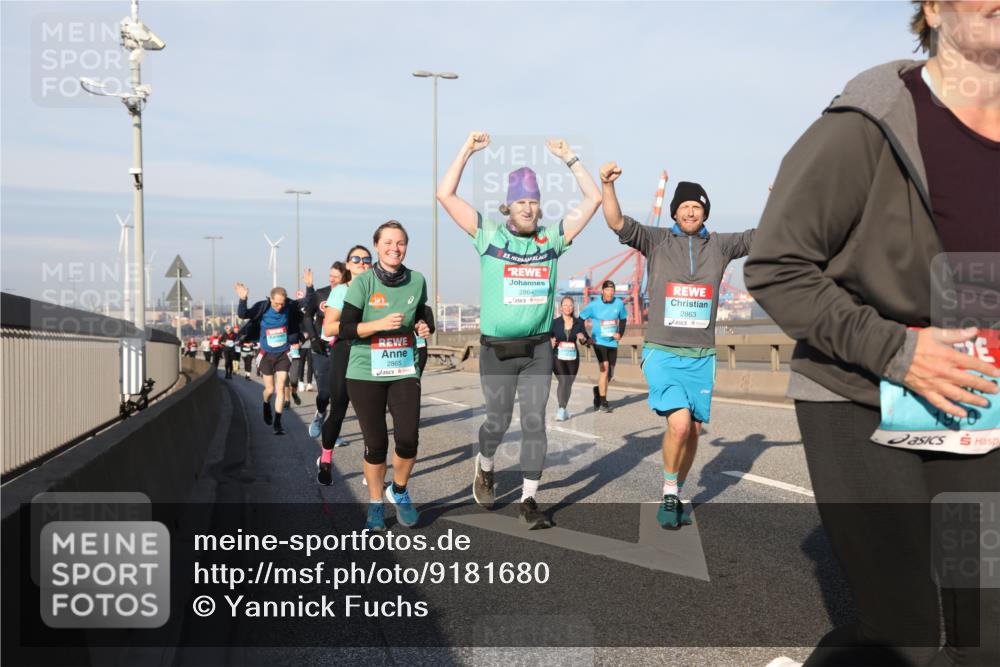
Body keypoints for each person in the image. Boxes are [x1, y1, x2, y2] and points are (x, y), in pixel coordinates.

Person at [745, 3, 999, 665]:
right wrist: (899, 351)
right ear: (934, 9)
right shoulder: (874, 119)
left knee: (982, 631)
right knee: (907, 636)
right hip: (861, 395)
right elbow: (776, 265)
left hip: (977, 399)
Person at [438, 132, 602, 529]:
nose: (528, 209)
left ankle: (529, 498)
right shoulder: (489, 235)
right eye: (522, 202)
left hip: (536, 349)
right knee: (497, 421)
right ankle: (486, 464)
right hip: (496, 349)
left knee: (534, 421)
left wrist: (570, 159)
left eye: (534, 202)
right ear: (508, 205)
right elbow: (446, 195)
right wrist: (467, 151)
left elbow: (593, 201)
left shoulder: (552, 240)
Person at [600, 162, 754, 529]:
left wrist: (781, 200)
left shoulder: (720, 245)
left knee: (694, 430)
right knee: (680, 426)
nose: (690, 211)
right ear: (674, 212)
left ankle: (676, 488)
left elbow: (761, 236)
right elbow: (616, 221)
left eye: (697, 207)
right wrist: (607, 186)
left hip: (702, 356)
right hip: (663, 351)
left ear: (705, 214)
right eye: (684, 206)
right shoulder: (656, 240)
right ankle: (669, 492)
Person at [338, 221, 431, 532]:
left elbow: (422, 311)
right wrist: (378, 324)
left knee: (408, 439)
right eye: (388, 242)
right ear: (376, 246)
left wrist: (423, 325)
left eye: (401, 242)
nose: (395, 247)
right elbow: (346, 329)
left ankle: (399, 490)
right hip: (365, 371)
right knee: (376, 444)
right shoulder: (362, 283)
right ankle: (376, 504)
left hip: (403, 367)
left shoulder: (417, 280)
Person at [317, 246, 373, 484]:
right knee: (338, 410)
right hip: (345, 351)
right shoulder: (341, 290)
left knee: (370, 415)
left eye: (366, 259)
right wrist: (358, 328)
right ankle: (326, 459)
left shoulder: (378, 290)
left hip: (371, 353)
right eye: (356, 259)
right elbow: (329, 327)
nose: (362, 262)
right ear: (348, 265)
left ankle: (371, 468)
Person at [236, 282, 305, 436]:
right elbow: (243, 314)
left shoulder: (289, 307)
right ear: (271, 299)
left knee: (280, 388)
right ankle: (266, 404)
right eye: (276, 303)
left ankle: (278, 423)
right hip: (266, 354)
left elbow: (307, 302)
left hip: (283, 353)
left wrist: (310, 286)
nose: (279, 307)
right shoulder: (263, 307)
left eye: (282, 304)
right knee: (270, 390)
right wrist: (243, 298)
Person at [304, 262, 346, 438]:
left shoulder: (352, 294)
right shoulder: (321, 294)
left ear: (345, 277)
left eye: (336, 276)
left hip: (342, 348)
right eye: (330, 275)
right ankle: (320, 414)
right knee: (324, 393)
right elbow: (307, 316)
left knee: (340, 394)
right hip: (321, 349)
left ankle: (332, 432)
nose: (332, 279)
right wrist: (313, 338)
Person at [580, 279, 628, 412]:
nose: (610, 293)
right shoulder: (594, 305)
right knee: (604, 368)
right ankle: (603, 402)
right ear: (603, 291)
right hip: (598, 341)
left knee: (610, 374)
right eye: (608, 290)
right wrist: (587, 338)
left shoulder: (619, 303)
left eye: (612, 290)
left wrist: (620, 333)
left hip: (613, 342)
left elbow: (623, 319)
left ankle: (597, 391)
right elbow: (580, 319)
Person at [550, 296, 589, 421]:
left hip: (573, 358)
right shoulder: (554, 323)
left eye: (570, 305)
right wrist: (550, 342)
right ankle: (561, 410)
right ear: (561, 307)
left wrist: (582, 338)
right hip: (558, 356)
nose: (568, 307)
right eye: (565, 305)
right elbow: (547, 338)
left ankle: (564, 408)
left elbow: (585, 341)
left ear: (574, 307)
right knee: (563, 381)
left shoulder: (579, 323)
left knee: (569, 383)